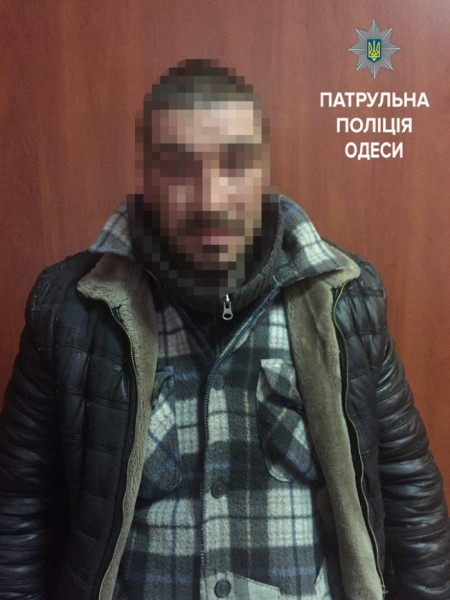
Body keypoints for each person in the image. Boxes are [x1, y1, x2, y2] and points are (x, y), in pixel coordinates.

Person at [0, 58, 448, 600]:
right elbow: (20, 507)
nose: (210, 200)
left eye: (235, 163)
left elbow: (406, 487)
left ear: (264, 168)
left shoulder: (346, 301)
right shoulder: (69, 310)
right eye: (178, 167)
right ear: (145, 175)